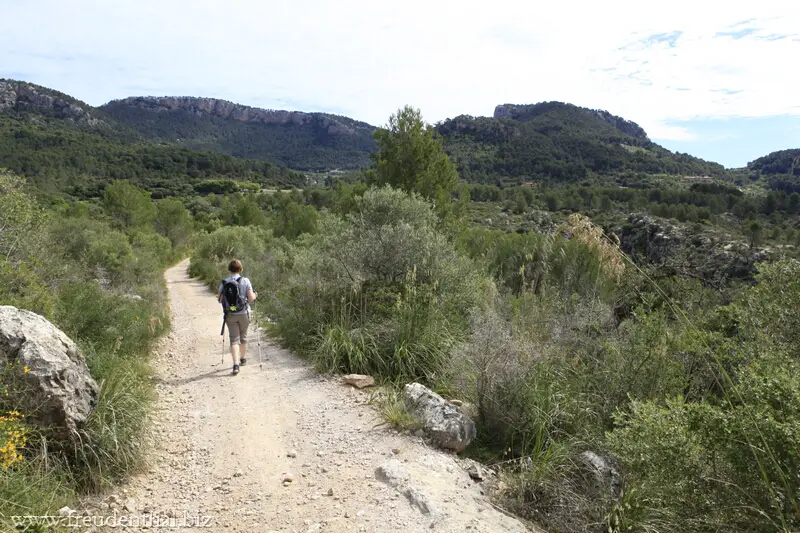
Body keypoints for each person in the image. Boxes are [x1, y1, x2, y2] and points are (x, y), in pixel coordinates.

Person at [218, 259, 257, 375]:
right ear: (240, 269)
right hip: (244, 313)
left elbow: (220, 300)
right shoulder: (245, 281)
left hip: (230, 314)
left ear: (229, 269)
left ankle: (235, 365)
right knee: (243, 337)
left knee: (234, 339)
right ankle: (243, 359)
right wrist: (255, 294)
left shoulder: (224, 282)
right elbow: (251, 298)